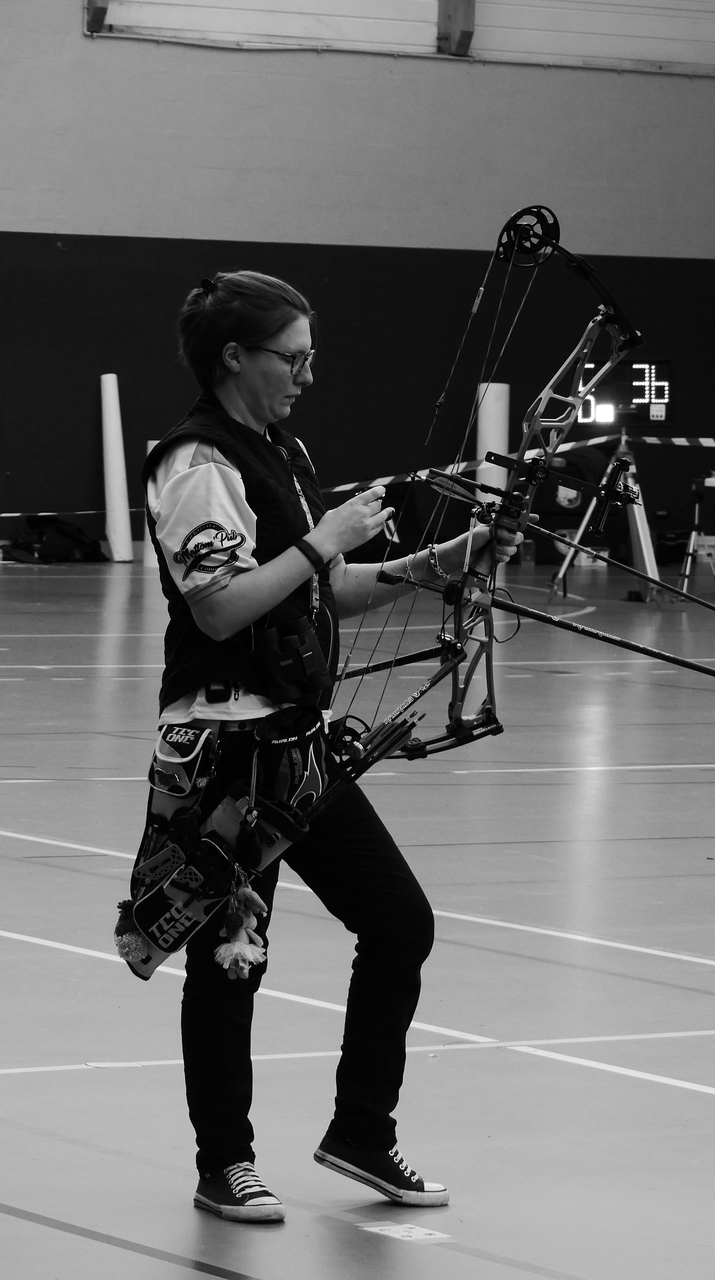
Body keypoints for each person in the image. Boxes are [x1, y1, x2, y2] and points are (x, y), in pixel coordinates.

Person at [139, 270, 519, 1223]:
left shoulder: (281, 449)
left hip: (295, 743)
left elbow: (326, 588)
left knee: (399, 923)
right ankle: (224, 1162)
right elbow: (220, 606)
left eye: (311, 358)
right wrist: (323, 539)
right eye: (292, 358)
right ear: (235, 357)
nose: (307, 375)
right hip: (224, 747)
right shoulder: (195, 463)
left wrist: (442, 561)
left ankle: (361, 1133)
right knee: (232, 953)